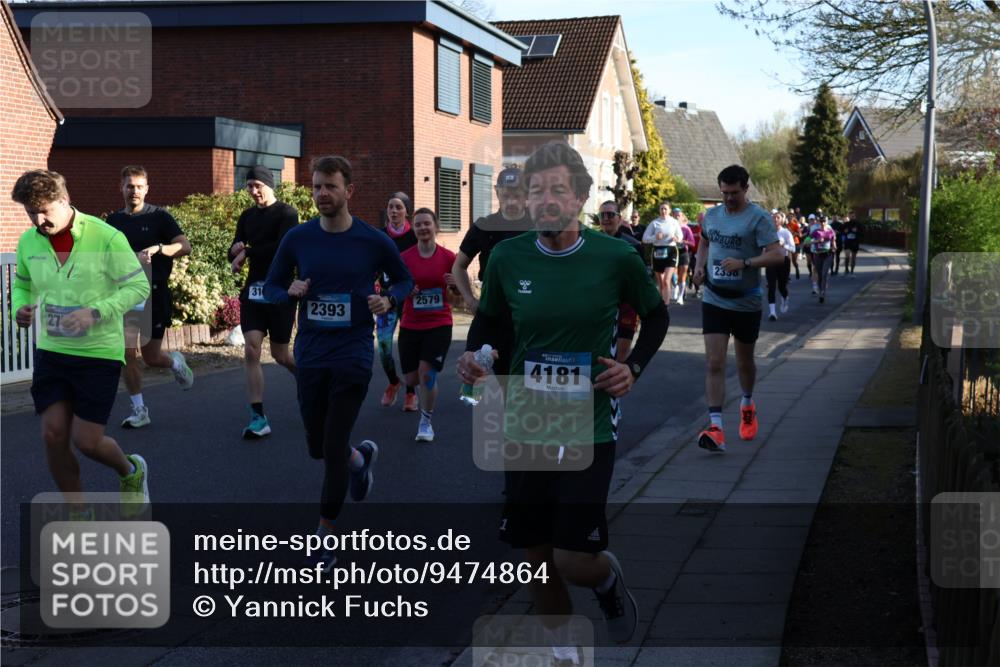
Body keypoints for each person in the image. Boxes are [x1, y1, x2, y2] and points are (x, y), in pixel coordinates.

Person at [457, 141, 670, 660]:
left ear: (579, 198)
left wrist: (632, 367)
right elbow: (488, 323)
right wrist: (473, 357)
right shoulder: (507, 258)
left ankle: (605, 579)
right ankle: (562, 650)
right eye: (537, 190)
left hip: (588, 424)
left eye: (558, 189)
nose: (546, 199)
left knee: (572, 558)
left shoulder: (615, 256)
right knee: (536, 556)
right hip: (524, 424)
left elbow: (656, 315)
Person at [263, 156, 413, 570]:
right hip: (311, 355)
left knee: (331, 447)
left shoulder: (373, 241)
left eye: (330, 186)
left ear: (350, 191)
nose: (322, 194)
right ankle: (359, 461)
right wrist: (289, 291)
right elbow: (271, 287)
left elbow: (404, 279)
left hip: (353, 352)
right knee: (318, 446)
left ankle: (324, 534)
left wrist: (389, 299)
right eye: (316, 187)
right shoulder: (298, 238)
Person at [11, 170, 151, 518]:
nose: (38, 221)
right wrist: (20, 308)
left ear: (64, 200)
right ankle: (79, 511)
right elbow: (23, 284)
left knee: (87, 441)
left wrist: (96, 312)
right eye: (31, 213)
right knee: (53, 434)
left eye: (44, 211)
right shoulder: (29, 242)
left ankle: (131, 470)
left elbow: (138, 287)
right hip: (52, 352)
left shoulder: (105, 236)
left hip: (97, 354)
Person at [691, 165, 784, 453]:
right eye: (724, 193)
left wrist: (745, 263)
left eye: (734, 193)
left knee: (745, 362)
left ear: (746, 188)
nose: (728, 198)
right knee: (714, 362)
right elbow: (704, 242)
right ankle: (716, 427)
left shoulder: (759, 218)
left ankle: (747, 403)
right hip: (714, 298)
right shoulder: (712, 216)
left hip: (746, 301)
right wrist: (699, 267)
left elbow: (778, 254)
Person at [106, 166, 194, 429]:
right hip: (125, 295)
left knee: (152, 357)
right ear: (121, 188)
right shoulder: (113, 222)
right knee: (126, 352)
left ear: (146, 189)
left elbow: (184, 246)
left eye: (139, 186)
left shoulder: (160, 217)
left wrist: (159, 249)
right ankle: (139, 410)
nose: (134, 191)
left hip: (153, 293)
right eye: (129, 186)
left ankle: (174, 362)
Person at [228, 166, 299, 438]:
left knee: (281, 355)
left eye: (258, 185)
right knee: (251, 350)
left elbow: (281, 249)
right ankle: (258, 416)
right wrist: (235, 251)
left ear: (270, 185)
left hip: (280, 291)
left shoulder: (287, 214)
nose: (253, 191)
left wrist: (247, 252)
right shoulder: (247, 216)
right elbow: (235, 249)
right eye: (249, 186)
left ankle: (308, 380)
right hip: (254, 292)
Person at [452, 168, 530, 380]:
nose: (511, 201)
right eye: (506, 195)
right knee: (476, 374)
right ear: (497, 192)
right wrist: (470, 299)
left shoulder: (538, 227)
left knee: (520, 382)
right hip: (491, 315)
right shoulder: (484, 226)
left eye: (517, 195)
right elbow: (458, 266)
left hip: (526, 315)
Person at [398, 208, 460, 442]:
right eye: (418, 224)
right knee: (412, 379)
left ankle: (425, 422)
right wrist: (406, 290)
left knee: (427, 375)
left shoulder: (449, 258)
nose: (423, 228)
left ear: (435, 226)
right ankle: (416, 395)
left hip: (439, 324)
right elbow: (396, 288)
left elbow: (458, 300)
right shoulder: (404, 259)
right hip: (410, 324)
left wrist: (455, 287)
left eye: (427, 223)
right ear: (413, 229)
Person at [375, 192, 419, 410]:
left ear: (407, 211)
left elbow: (424, 261)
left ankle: (411, 392)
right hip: (387, 299)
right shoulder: (380, 236)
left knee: (408, 348)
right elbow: (371, 265)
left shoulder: (415, 236)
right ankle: (394, 382)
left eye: (398, 207)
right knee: (384, 348)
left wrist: (416, 284)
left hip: (410, 299)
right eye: (391, 207)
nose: (393, 211)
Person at [598, 200, 643, 362]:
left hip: (626, 303)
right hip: (600, 303)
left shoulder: (632, 245)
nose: (606, 218)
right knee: (600, 353)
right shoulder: (591, 243)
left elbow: (641, 278)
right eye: (602, 215)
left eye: (610, 214)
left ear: (619, 218)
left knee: (621, 357)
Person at [641, 202, 683, 304]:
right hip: (657, 252)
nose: (663, 211)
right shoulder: (654, 223)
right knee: (660, 283)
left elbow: (680, 236)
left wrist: (677, 238)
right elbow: (644, 239)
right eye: (661, 209)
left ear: (669, 210)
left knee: (666, 281)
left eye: (665, 209)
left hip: (671, 251)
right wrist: (655, 237)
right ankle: (660, 305)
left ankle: (666, 305)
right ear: (659, 210)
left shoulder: (674, 222)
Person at [766, 212, 795, 321]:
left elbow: (793, 248)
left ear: (782, 220)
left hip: (783, 260)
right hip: (771, 260)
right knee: (771, 286)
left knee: (782, 286)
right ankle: (772, 312)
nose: (775, 219)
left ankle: (785, 298)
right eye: (773, 217)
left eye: (777, 217)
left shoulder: (786, 232)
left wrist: (784, 245)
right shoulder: (768, 232)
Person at [810, 216, 837, 303]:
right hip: (818, 254)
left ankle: (822, 293)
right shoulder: (816, 232)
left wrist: (834, 247)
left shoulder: (831, 232)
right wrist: (817, 241)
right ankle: (821, 289)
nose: (822, 223)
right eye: (821, 221)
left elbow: (833, 242)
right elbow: (807, 241)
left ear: (827, 222)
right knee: (820, 274)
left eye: (824, 221)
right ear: (819, 222)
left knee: (824, 273)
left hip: (828, 254)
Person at [674, 208, 696, 305]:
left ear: (682, 217)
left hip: (683, 252)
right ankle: (676, 288)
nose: (676, 217)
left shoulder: (686, 228)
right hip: (673, 252)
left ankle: (680, 297)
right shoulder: (670, 227)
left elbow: (693, 243)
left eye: (678, 215)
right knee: (674, 276)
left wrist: (683, 241)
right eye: (675, 215)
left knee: (682, 275)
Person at [786, 212, 802, 280]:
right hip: (788, 244)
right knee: (788, 260)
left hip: (795, 243)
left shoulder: (795, 225)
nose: (789, 218)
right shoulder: (786, 225)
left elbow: (800, 235)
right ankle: (787, 276)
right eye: (788, 217)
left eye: (791, 217)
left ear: (793, 218)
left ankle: (797, 268)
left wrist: (794, 234)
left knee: (794, 261)